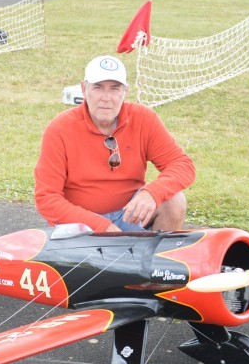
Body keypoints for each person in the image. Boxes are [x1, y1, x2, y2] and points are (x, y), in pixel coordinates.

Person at [34, 56, 195, 232]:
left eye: (114, 89)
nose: (106, 97)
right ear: (84, 89)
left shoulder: (144, 119)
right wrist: (102, 227)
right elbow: (47, 198)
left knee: (174, 201)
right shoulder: (60, 129)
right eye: (98, 88)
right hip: (80, 224)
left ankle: (154, 258)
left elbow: (182, 165)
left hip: (129, 215)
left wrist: (152, 192)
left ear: (125, 91)